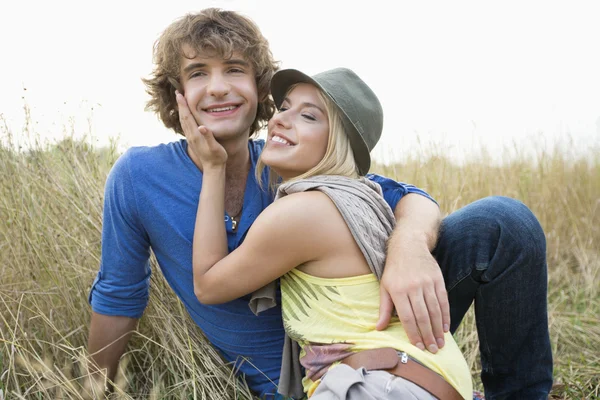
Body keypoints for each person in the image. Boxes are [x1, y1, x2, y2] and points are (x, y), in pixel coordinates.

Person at [87, 8, 552, 399]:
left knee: (504, 222)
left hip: (377, 321)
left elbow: (408, 197)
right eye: (197, 73)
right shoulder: (138, 177)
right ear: (177, 95)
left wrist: (407, 248)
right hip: (308, 375)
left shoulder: (290, 167)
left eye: (234, 69)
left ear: (259, 89)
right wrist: (90, 390)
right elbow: (119, 295)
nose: (218, 87)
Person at [189, 66, 473, 399]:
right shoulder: (359, 199)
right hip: (417, 379)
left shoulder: (303, 212)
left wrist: (213, 167)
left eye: (308, 116)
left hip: (379, 386)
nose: (279, 120)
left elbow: (208, 284)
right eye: (283, 108)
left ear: (337, 144)